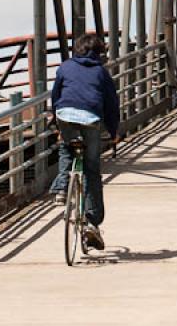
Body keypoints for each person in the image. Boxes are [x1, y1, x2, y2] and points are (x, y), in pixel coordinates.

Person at [49, 33, 120, 250]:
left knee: (65, 148)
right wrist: (114, 130)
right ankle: (92, 222)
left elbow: (56, 95)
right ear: (99, 53)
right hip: (91, 119)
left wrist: (56, 120)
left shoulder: (65, 67)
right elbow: (111, 105)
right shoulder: (101, 72)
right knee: (91, 170)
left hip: (65, 115)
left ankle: (61, 189)